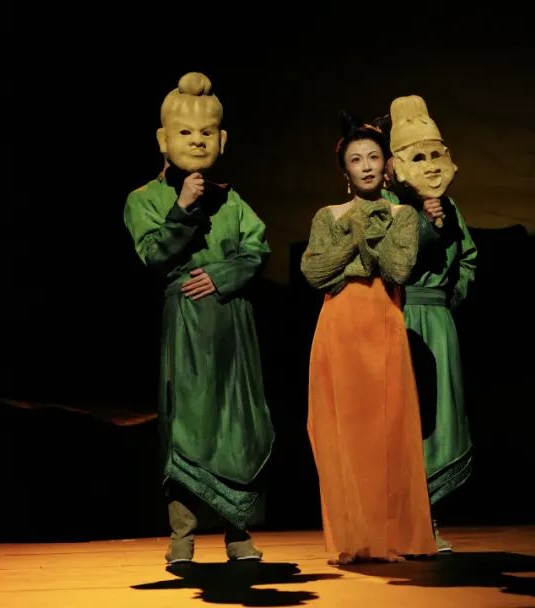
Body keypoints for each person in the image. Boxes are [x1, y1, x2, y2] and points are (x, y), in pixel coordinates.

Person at [123, 72, 274, 564]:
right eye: (185, 132)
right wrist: (184, 208)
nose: (197, 140)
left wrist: (221, 276)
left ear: (222, 140)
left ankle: (238, 531)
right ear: (163, 139)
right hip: (187, 324)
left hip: (234, 324)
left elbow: (257, 250)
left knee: (237, 423)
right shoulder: (144, 199)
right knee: (187, 426)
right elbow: (154, 255)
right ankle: (182, 535)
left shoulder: (232, 199)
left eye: (206, 132)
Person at [301, 113, 435, 564]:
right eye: (356, 159)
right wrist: (358, 238)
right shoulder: (328, 215)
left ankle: (391, 535)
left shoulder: (403, 215)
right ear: (345, 170)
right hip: (339, 327)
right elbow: (314, 273)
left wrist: (352, 259)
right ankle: (353, 536)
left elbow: (397, 269)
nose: (366, 166)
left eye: (373, 157)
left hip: (382, 322)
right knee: (342, 430)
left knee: (386, 429)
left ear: (386, 165)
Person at [388, 95, 478, 553]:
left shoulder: (452, 207)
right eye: (417, 157)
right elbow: (393, 262)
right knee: (404, 421)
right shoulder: (389, 206)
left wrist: (450, 295)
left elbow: (468, 259)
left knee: (440, 420)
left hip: (438, 319)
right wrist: (425, 225)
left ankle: (430, 519)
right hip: (400, 318)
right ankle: (399, 522)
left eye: (434, 155)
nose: (429, 166)